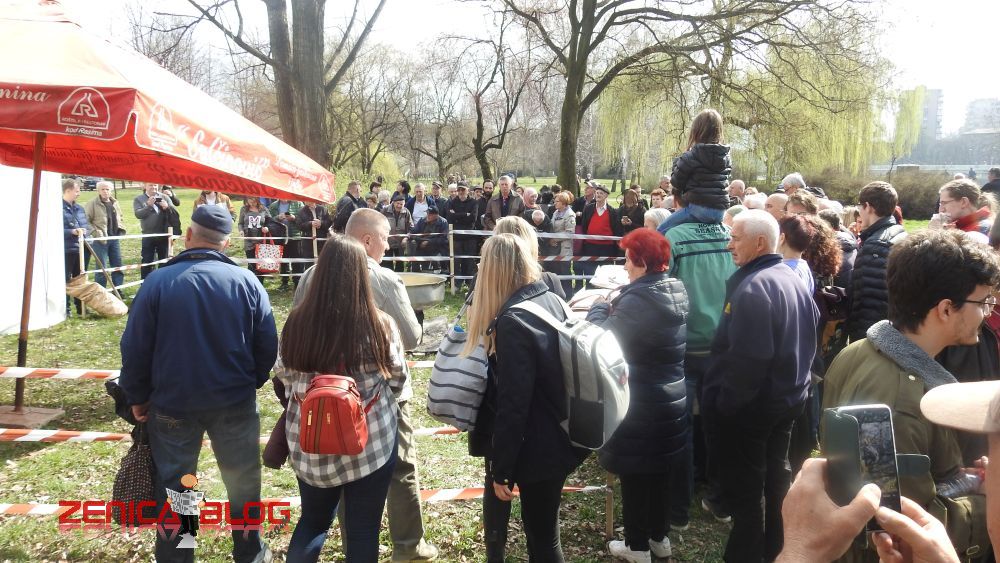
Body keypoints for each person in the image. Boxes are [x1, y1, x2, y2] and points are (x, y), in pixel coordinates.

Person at [822, 229, 1000, 562]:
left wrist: (962, 482)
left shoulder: (857, 351)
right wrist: (989, 497)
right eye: (983, 302)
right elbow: (903, 528)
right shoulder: (903, 403)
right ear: (946, 309)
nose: (987, 312)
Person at [119, 205, 277, 563]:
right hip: (234, 402)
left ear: (188, 236)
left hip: (173, 404)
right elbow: (268, 344)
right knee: (243, 483)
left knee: (178, 489)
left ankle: (178, 557)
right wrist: (250, 381)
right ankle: (250, 554)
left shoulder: (158, 282)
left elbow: (134, 347)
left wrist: (137, 396)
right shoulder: (247, 282)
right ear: (227, 243)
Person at [292, 210, 435, 563]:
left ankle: (350, 542)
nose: (387, 245)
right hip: (375, 412)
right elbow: (410, 342)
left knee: (319, 511)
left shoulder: (309, 277)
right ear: (367, 240)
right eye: (385, 238)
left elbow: (287, 362)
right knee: (399, 471)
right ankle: (408, 546)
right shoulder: (384, 285)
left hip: (315, 412)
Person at [276, 236, 406, 562]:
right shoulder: (381, 325)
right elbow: (398, 379)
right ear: (362, 274)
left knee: (312, 522)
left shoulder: (296, 323)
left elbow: (283, 375)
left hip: (310, 441)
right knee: (363, 529)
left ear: (320, 271)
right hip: (370, 444)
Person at [463, 233, 589, 563]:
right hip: (563, 431)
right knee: (544, 535)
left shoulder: (513, 321)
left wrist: (501, 470)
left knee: (543, 541)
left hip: (539, 446)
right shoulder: (549, 298)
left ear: (494, 270)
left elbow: (514, 404)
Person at [701, 209, 819, 562]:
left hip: (755, 409)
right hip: (787, 400)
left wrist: (726, 406)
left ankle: (746, 554)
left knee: (748, 489)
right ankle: (775, 547)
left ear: (760, 243)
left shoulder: (754, 288)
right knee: (776, 476)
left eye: (736, 238)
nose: (729, 245)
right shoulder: (790, 278)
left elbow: (749, 361)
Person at [586, 229, 689, 563]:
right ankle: (660, 538)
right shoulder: (674, 289)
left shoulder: (638, 300)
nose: (625, 266)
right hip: (671, 399)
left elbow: (602, 339)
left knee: (634, 475)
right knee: (660, 473)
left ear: (642, 262)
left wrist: (599, 309)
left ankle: (637, 546)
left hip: (641, 403)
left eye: (628, 259)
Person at [663, 195, 738, 529]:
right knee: (720, 421)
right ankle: (720, 499)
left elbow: (663, 290)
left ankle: (679, 507)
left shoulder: (674, 237)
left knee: (681, 426)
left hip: (686, 344)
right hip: (722, 343)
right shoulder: (731, 235)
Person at [846, 181, 906, 343]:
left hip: (874, 338)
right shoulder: (897, 232)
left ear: (868, 207)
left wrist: (862, 344)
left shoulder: (877, 246)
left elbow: (870, 303)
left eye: (860, 206)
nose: (859, 211)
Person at [657, 109, 732, 233]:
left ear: (696, 130)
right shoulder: (726, 157)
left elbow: (676, 182)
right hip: (720, 212)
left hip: (697, 209)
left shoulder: (691, 156)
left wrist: (677, 164)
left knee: (660, 231)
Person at [579, 184, 623, 285]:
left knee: (605, 273)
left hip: (607, 248)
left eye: (601, 193)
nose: (598, 195)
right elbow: (584, 225)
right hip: (590, 246)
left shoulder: (612, 211)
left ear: (606, 196)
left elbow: (616, 228)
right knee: (590, 272)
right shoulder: (588, 208)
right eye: (597, 193)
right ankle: (589, 289)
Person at [83, 180, 124, 289]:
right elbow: (86, 220)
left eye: (107, 189)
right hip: (100, 240)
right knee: (102, 267)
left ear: (111, 190)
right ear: (98, 191)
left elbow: (120, 216)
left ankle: (118, 289)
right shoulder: (92, 203)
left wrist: (121, 228)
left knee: (117, 265)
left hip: (114, 238)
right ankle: (101, 291)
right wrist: (96, 232)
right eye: (103, 189)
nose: (105, 191)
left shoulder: (115, 202)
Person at [134, 182, 177, 280]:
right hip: (148, 235)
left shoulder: (165, 197)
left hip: (164, 234)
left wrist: (167, 207)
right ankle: (146, 283)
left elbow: (174, 212)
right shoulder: (139, 199)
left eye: (155, 185)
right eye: (150, 185)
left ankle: (162, 283)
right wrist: (148, 206)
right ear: (145, 186)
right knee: (147, 261)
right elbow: (138, 214)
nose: (153, 187)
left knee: (164, 261)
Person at [62, 178, 90, 315]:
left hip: (82, 248)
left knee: (80, 278)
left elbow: (85, 225)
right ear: (68, 191)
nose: (78, 194)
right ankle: (65, 309)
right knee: (66, 279)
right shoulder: (57, 209)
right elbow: (54, 229)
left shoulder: (79, 208)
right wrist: (71, 232)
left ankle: (81, 307)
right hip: (67, 249)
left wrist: (86, 234)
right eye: (76, 191)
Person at [268, 199, 304, 289]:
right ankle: (284, 282)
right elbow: (269, 220)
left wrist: (294, 218)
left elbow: (303, 219)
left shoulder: (298, 203)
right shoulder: (273, 205)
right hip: (281, 237)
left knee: (297, 260)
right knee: (283, 260)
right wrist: (277, 218)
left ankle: (297, 282)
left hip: (295, 236)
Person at [447, 183, 478, 287]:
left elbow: (473, 218)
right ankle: (457, 284)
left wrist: (457, 215)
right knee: (456, 261)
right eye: (459, 190)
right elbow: (450, 217)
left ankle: (470, 284)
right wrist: (465, 214)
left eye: (463, 190)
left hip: (470, 237)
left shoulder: (474, 202)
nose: (460, 192)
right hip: (456, 237)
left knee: (469, 261)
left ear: (467, 190)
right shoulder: (452, 202)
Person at [294, 201, 331, 284]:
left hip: (321, 242)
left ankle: (322, 282)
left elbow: (329, 222)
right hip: (308, 243)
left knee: (322, 262)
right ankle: (309, 283)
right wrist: (310, 223)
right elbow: (299, 225)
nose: (308, 201)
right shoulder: (301, 211)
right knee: (309, 264)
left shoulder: (323, 209)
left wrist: (321, 223)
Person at [548, 192, 576, 297]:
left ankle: (568, 295)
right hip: (554, 248)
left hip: (565, 248)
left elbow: (570, 232)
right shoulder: (556, 213)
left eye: (557, 201)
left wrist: (555, 239)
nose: (554, 203)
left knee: (565, 271)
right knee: (556, 271)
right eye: (554, 201)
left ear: (564, 203)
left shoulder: (570, 215)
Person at [409, 206, 448, 273]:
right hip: (422, 246)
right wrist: (420, 240)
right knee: (415, 259)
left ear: (436, 215)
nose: (428, 215)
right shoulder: (422, 220)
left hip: (437, 248)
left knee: (438, 262)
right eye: (427, 213)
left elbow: (443, 239)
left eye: (430, 214)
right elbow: (413, 232)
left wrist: (428, 242)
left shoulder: (443, 222)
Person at [239, 197, 271, 279]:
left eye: (254, 201)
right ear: (246, 200)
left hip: (261, 241)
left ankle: (260, 284)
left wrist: (267, 228)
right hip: (248, 241)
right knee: (251, 265)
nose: (252, 203)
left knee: (260, 266)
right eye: (250, 201)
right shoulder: (243, 209)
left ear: (257, 200)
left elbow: (270, 222)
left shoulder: (264, 209)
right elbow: (240, 223)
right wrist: (241, 231)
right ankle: (251, 283)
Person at [384, 194, 413, 273]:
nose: (399, 206)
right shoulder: (385, 210)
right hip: (387, 242)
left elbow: (411, 227)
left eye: (401, 204)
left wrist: (406, 238)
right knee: (387, 265)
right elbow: (379, 224)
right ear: (393, 202)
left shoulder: (406, 212)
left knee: (400, 266)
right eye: (398, 203)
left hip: (400, 243)